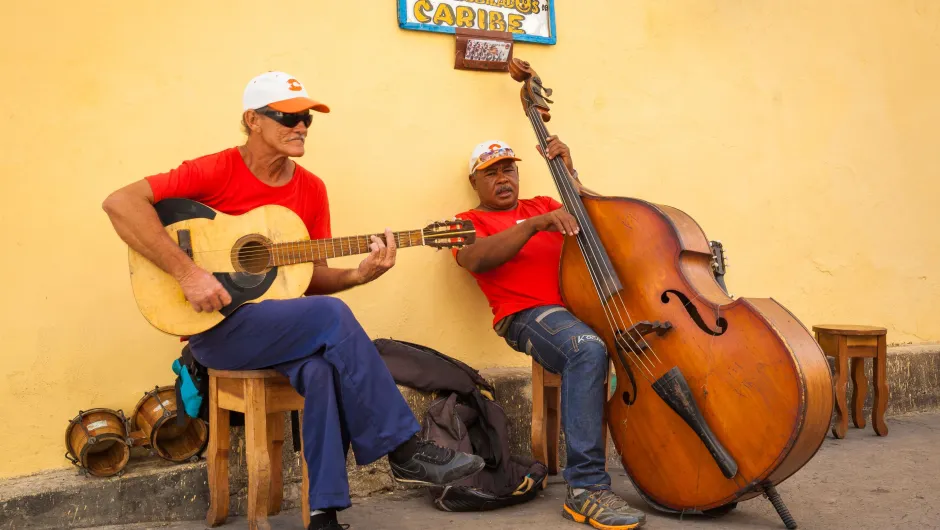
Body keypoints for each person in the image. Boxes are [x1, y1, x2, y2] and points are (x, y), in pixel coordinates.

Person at [102, 71, 484, 530]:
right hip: (217, 330)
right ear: (253, 120)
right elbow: (120, 203)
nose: (301, 126)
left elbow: (309, 280)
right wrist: (188, 272)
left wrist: (357, 275)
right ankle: (402, 448)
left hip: (281, 329)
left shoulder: (311, 189)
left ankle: (323, 515)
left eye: (307, 118)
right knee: (332, 317)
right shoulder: (217, 169)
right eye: (288, 116)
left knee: (321, 369)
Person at [451, 138, 647, 529]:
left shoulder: (543, 202)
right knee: (586, 349)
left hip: (583, 310)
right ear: (475, 182)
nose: (502, 179)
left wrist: (569, 171)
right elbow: (475, 259)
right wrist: (534, 226)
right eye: (491, 173)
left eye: (508, 169)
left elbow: (595, 214)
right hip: (526, 316)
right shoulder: (465, 222)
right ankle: (585, 489)